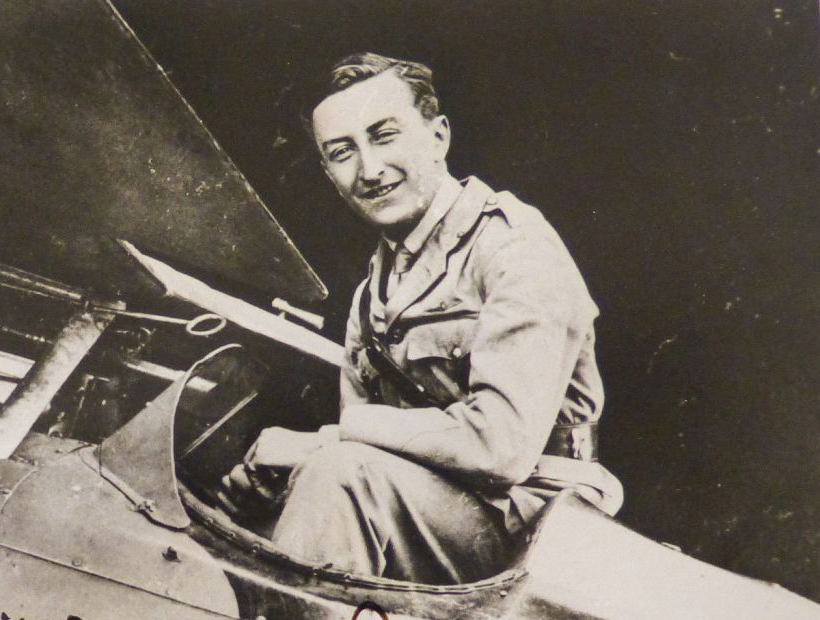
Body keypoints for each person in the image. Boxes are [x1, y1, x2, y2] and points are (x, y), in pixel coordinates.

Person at [221, 53, 623, 585]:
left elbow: (500, 446)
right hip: (437, 507)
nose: (369, 169)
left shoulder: (515, 249)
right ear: (328, 173)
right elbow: (369, 454)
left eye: (384, 136)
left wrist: (326, 440)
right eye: (342, 152)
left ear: (438, 137)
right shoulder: (373, 293)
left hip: (539, 521)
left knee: (338, 476)